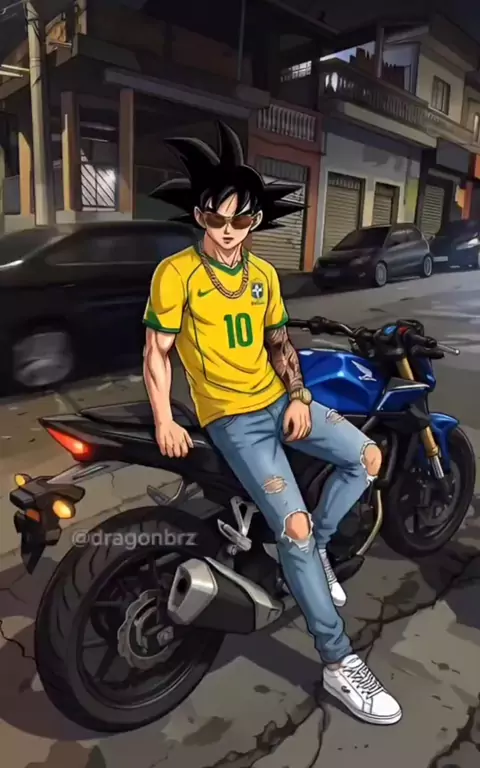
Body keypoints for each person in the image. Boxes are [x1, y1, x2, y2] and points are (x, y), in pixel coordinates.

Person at [143, 122, 402, 726]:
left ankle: (320, 552)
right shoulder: (176, 273)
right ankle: (339, 661)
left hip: (276, 401)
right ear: (200, 216)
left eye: (239, 219)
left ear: (254, 220)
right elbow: (156, 352)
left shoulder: (262, 275)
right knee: (293, 527)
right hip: (231, 418)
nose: (227, 230)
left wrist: (300, 396)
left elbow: (280, 343)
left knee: (367, 457)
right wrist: (163, 418)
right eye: (216, 218)